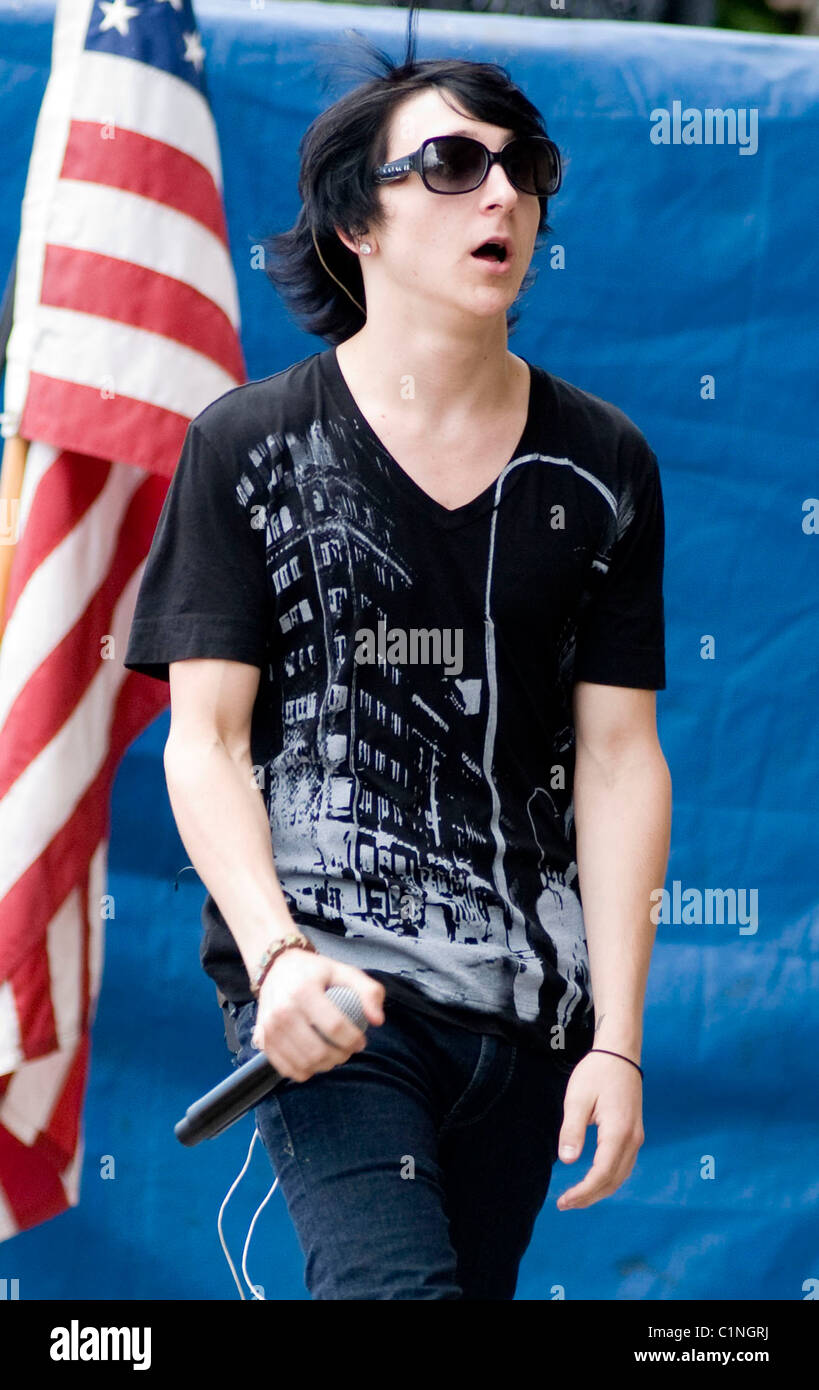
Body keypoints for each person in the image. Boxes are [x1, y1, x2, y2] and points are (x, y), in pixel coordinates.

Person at [124, 33, 672, 1300]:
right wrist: (275, 960)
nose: (503, 194)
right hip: (332, 997)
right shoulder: (248, 446)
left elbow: (619, 758)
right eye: (453, 164)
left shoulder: (605, 466)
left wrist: (620, 1041)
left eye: (526, 167)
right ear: (354, 225)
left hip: (529, 1013)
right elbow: (204, 742)